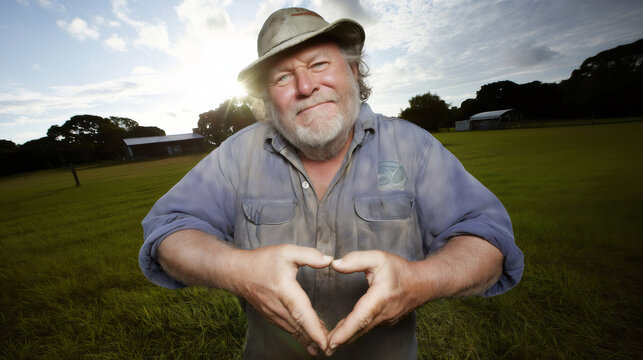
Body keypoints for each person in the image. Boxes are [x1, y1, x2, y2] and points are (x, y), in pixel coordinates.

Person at [139, 7, 523, 359]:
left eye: (319, 64)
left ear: (353, 71)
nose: (305, 86)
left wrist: (418, 280)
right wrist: (238, 271)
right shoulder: (237, 156)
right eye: (283, 77)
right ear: (268, 99)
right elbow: (168, 232)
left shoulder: (414, 147)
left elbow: (487, 242)